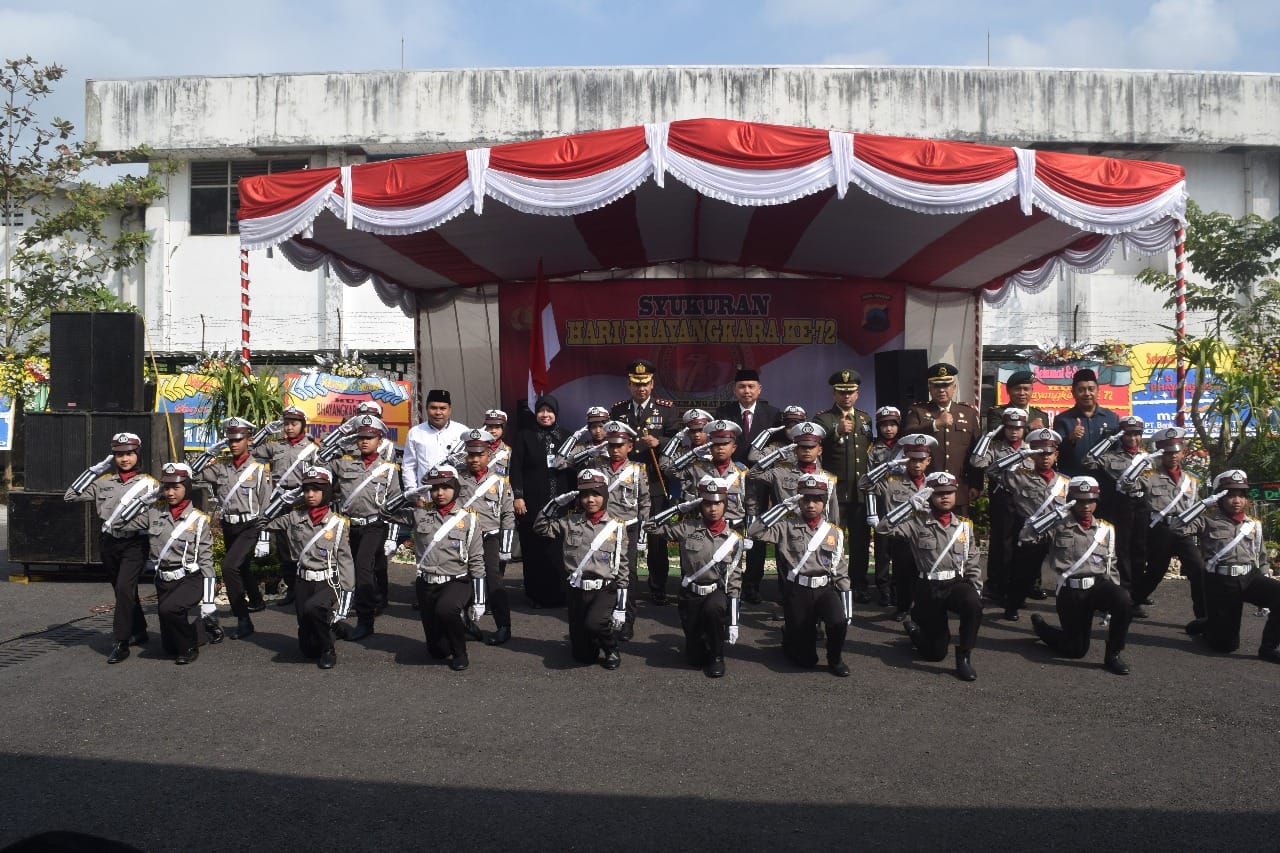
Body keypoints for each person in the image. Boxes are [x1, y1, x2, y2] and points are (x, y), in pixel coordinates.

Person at [876, 471, 984, 682]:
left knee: (973, 604)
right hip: (929, 586)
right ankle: (916, 631)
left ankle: (964, 656)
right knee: (934, 655)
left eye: (950, 493)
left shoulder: (964, 525)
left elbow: (971, 559)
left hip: (955, 583)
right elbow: (882, 529)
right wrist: (908, 506)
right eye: (939, 493)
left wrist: (976, 587)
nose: (945, 497)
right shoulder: (917, 522)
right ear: (930, 496)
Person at [63, 431, 159, 664]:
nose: (125, 459)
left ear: (138, 454)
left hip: (135, 543)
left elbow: (158, 519)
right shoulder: (103, 482)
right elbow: (70, 496)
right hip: (109, 542)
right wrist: (94, 471)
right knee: (122, 590)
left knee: (125, 590)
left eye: (129, 454)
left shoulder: (150, 485)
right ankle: (139, 629)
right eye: (119, 454)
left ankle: (121, 641)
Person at [1023, 476, 1134, 675]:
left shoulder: (1106, 529)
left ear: (1097, 501)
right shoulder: (1058, 526)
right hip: (1071, 591)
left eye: (1090, 501)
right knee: (1076, 650)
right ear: (1071, 501)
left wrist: (1113, 601)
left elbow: (1111, 565)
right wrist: (1053, 516)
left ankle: (1113, 655)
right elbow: (1026, 536)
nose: (1086, 506)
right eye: (1080, 501)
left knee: (1123, 600)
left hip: (1097, 587)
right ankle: (1043, 629)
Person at [747, 472, 852, 676]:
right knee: (805, 661)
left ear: (824, 502)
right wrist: (783, 506)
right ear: (799, 500)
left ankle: (835, 659)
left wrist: (847, 610)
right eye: (806, 499)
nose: (811, 505)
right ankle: (790, 637)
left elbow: (840, 570)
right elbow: (754, 531)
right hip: (798, 590)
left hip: (824, 588)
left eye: (816, 500)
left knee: (838, 621)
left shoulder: (833, 532)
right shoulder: (786, 525)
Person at [1173, 470, 1280, 663]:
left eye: (1241, 495)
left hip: (1249, 577)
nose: (1237, 500)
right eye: (1230, 495)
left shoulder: (1253, 524)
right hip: (1221, 583)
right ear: (1220, 497)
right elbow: (1176, 527)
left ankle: (1268, 648)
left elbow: (1261, 557)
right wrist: (1203, 504)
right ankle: (1208, 624)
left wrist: (1267, 585)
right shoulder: (1206, 520)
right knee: (1225, 646)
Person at [533, 468, 630, 670]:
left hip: (604, 588)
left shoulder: (616, 526)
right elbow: (541, 528)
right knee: (583, 656)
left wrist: (621, 607)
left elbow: (622, 566)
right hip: (577, 589)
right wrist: (554, 504)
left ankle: (611, 647)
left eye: (595, 494)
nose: (590, 500)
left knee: (595, 623)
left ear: (604, 495)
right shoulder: (570, 522)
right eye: (585, 495)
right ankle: (592, 642)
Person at [650, 476, 747, 678]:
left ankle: (717, 656)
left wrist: (734, 621)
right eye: (708, 503)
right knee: (693, 657)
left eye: (718, 503)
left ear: (725, 504)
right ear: (700, 505)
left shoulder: (733, 538)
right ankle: (699, 646)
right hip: (690, 593)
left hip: (715, 591)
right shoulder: (687, 528)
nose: (713, 508)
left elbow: (735, 580)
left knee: (714, 612)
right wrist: (679, 509)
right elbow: (650, 526)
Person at [261, 466, 354, 669]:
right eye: (306, 490)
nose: (310, 494)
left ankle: (329, 649)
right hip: (303, 580)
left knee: (313, 609)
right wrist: (284, 500)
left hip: (328, 581)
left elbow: (345, 560)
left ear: (326, 491)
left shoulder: (337, 523)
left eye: (316, 489)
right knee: (307, 648)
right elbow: (262, 522)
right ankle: (333, 627)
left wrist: (346, 596)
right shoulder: (294, 517)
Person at [1118, 426, 1206, 620]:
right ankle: (1131, 602)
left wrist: (1193, 528)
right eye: (1167, 452)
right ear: (1160, 453)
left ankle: (1202, 616)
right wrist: (1141, 464)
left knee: (1198, 569)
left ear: (1183, 452)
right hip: (1161, 530)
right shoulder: (1150, 476)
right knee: (1156, 571)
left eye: (1176, 451)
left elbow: (1196, 508)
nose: (1172, 456)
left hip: (1183, 530)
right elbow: (1125, 485)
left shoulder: (1191, 480)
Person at [329, 414, 402, 642]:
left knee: (362, 569)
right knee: (343, 570)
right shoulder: (345, 461)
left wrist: (392, 536)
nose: (364, 441)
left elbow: (395, 505)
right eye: (360, 437)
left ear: (380, 440)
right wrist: (341, 434)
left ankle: (365, 620)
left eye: (370, 437)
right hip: (350, 526)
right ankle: (339, 612)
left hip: (374, 525)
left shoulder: (389, 470)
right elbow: (318, 461)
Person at [198, 417, 272, 640]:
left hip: (250, 525)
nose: (233, 444)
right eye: (230, 440)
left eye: (238, 439)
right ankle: (256, 600)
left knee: (229, 567)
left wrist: (264, 537)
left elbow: (266, 506)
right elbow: (191, 473)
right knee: (242, 567)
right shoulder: (220, 468)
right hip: (229, 525)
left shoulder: (259, 470)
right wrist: (209, 453)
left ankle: (243, 619)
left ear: (249, 440)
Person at [408, 465, 487, 671]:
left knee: (447, 610)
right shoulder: (420, 514)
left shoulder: (468, 518)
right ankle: (461, 628)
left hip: (456, 580)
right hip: (426, 583)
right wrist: (406, 497)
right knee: (437, 651)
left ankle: (461, 653)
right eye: (434, 488)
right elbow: (385, 513)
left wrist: (479, 600)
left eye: (445, 487)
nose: (439, 493)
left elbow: (477, 560)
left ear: (455, 488)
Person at [610, 358, 675, 604]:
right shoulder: (618, 411)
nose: (642, 389)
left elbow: (678, 437)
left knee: (656, 538)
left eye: (646, 383)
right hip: (625, 484)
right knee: (623, 535)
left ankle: (658, 588)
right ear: (629, 385)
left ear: (652, 382)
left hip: (654, 483)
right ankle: (626, 586)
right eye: (636, 384)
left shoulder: (666, 408)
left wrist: (661, 443)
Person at [716, 368, 783, 604]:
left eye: (751, 386)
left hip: (760, 483)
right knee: (729, 528)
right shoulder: (723, 413)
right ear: (735, 390)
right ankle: (726, 579)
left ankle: (753, 584)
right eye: (742, 387)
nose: (747, 391)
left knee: (756, 532)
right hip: (730, 482)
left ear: (759, 389)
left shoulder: (774, 415)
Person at [143, 462, 220, 665]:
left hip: (190, 578)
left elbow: (206, 560)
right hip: (163, 579)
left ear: (187, 487)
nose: (170, 492)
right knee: (168, 647)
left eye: (176, 487)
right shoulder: (154, 513)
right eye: (166, 487)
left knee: (169, 610)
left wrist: (210, 601)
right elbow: (123, 520)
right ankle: (205, 629)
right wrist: (147, 499)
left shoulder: (199, 520)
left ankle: (188, 649)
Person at [991, 427, 1071, 622]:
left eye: (1049, 453)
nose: (1045, 457)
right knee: (1023, 575)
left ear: (1056, 454)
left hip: (1058, 534)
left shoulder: (1066, 482)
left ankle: (1071, 610)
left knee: (1068, 574)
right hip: (1031, 533)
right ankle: (1013, 605)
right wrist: (1019, 456)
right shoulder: (1020, 476)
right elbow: (992, 470)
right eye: (1039, 453)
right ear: (1033, 455)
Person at [814, 369, 874, 604]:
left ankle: (859, 584)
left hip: (859, 492)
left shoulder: (865, 418)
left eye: (850, 392)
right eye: (841, 392)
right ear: (834, 393)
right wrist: (836, 431)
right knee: (831, 540)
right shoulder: (823, 419)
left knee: (859, 542)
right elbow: (814, 445)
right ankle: (831, 581)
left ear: (857, 394)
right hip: (835, 494)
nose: (846, 396)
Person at [862, 433, 936, 621]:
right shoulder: (892, 481)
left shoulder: (934, 483)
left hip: (927, 538)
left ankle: (923, 608)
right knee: (902, 576)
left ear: (928, 460)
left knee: (925, 578)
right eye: (912, 460)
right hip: (902, 537)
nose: (916, 465)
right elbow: (864, 484)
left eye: (921, 460)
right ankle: (903, 607)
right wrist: (887, 466)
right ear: (905, 459)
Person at [253, 405, 320, 607]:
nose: (289, 428)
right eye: (286, 424)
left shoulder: (312, 449)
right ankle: (291, 589)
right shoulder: (276, 446)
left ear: (303, 425)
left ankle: (306, 587)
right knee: (283, 545)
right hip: (279, 498)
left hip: (301, 500)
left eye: (294, 423)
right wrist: (265, 431)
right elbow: (250, 448)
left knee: (303, 542)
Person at [510, 394, 571, 608]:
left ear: (556, 413)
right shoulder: (525, 436)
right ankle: (535, 595)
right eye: (541, 411)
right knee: (534, 550)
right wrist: (518, 496)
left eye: (549, 411)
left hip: (560, 505)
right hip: (532, 504)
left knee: (558, 550)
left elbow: (573, 472)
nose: (545, 415)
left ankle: (560, 594)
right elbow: (515, 468)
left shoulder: (566, 437)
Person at [457, 428, 516, 645]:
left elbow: (508, 514)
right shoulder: (457, 477)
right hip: (463, 538)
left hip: (488, 538)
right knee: (462, 580)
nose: (474, 459)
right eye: (471, 454)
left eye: (479, 454)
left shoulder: (499, 481)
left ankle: (503, 626)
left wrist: (505, 548)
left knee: (494, 580)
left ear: (489, 455)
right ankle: (466, 624)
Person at [901, 362, 982, 517]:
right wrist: (935, 424)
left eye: (946, 385)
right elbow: (906, 436)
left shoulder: (968, 413)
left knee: (959, 535)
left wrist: (976, 484)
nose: (942, 390)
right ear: (930, 388)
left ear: (954, 387)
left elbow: (976, 452)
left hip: (958, 488)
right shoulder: (918, 411)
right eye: (937, 386)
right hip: (926, 488)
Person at [968, 407, 1029, 605]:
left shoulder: (1031, 449)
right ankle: (998, 586)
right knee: (1001, 544)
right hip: (1002, 500)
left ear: (1024, 429)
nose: (1014, 432)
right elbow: (976, 462)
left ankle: (1017, 589)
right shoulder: (995, 448)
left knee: (1022, 545)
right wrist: (987, 437)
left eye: (1018, 428)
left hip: (1025, 501)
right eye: (1009, 427)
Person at [1083, 414, 1150, 590]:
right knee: (1123, 546)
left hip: (1142, 503)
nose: (1133, 438)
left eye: (1137, 434)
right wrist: (1109, 440)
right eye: (1128, 434)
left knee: (1140, 546)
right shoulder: (1111, 456)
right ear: (1121, 435)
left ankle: (1138, 589)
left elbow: (1154, 481)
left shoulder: (1148, 458)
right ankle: (1125, 587)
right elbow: (1088, 460)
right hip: (1122, 504)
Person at [598, 420, 651, 639]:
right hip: (603, 530)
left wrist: (643, 535)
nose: (615, 449)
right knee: (604, 574)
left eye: (620, 445)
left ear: (629, 446)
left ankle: (627, 620)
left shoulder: (637, 471)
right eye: (611, 445)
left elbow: (645, 503)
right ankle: (606, 616)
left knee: (627, 576)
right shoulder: (598, 469)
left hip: (627, 530)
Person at [1052, 368, 1120, 477]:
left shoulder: (1112, 418)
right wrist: (1071, 439)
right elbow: (1054, 452)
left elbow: (1118, 451)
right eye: (1081, 390)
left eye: (1091, 389)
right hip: (1073, 480)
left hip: (1105, 481)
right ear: (1073, 392)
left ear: (1098, 390)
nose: (1087, 393)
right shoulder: (1062, 420)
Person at [865, 406, 902, 607]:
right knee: (882, 551)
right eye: (884, 425)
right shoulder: (873, 449)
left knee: (901, 551)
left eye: (892, 424)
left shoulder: (905, 447)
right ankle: (884, 589)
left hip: (902, 507)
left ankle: (899, 589)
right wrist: (872, 512)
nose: (888, 429)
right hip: (881, 505)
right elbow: (869, 482)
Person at [401, 389, 469, 491]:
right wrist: (413, 493)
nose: (438, 412)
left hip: (456, 497)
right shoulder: (415, 433)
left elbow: (469, 464)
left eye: (443, 408)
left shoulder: (462, 432)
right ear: (426, 409)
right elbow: (409, 466)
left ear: (450, 410)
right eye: (433, 408)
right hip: (425, 496)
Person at [480, 409, 513, 475]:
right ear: (485, 428)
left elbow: (510, 474)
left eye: (497, 427)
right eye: (490, 427)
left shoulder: (507, 450)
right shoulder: (477, 447)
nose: (493, 431)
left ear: (503, 429)